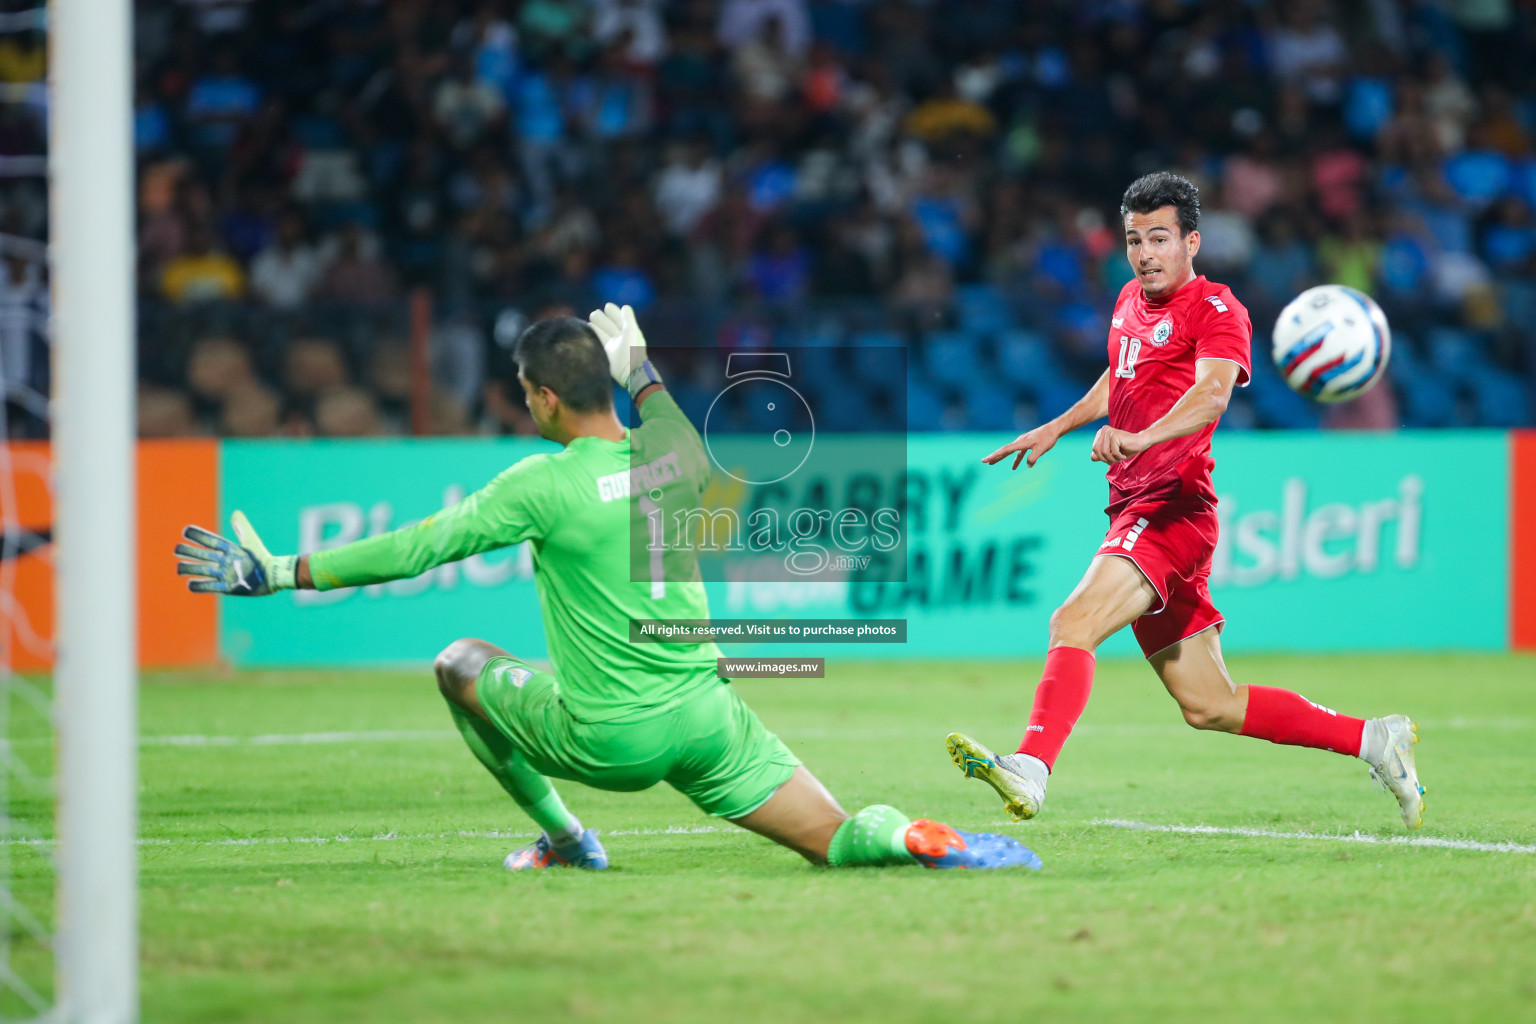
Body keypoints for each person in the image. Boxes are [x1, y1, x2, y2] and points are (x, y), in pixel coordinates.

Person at [176, 304, 1041, 872]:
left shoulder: (539, 484)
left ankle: (566, 839)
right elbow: (658, 402)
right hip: (709, 721)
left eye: (526, 394)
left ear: (545, 399)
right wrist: (638, 361)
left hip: (613, 740)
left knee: (458, 661)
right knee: (837, 838)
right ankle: (918, 836)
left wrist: (283, 571)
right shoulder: (675, 447)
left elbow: (419, 548)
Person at [946, 172, 1426, 830]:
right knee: (1209, 703)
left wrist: (1140, 437)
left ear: (1191, 241)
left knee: (1073, 623)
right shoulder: (1127, 301)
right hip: (1136, 506)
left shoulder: (1218, 309)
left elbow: (1213, 396)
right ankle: (1374, 740)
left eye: (1160, 239)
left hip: (1171, 510)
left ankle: (1030, 766)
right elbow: (1121, 376)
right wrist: (1060, 424)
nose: (1144, 254)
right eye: (1135, 240)